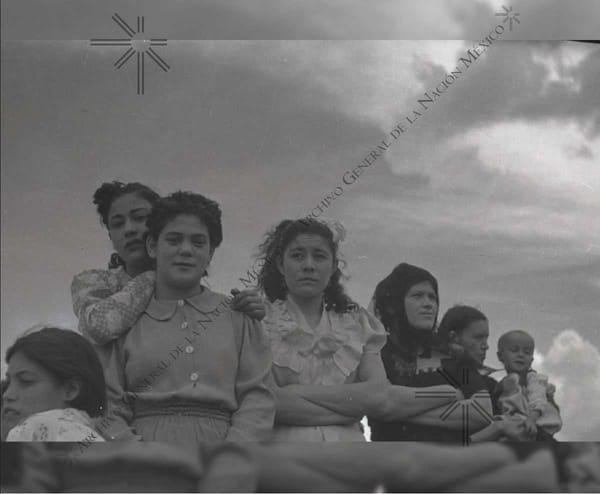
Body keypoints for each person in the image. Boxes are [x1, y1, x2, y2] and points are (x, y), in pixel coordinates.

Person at [256, 219, 462, 441]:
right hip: (283, 458)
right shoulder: (258, 321)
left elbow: (379, 397)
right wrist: (351, 409)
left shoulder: (359, 325)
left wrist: (294, 393)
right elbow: (268, 401)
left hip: (351, 460)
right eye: (297, 255)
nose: (308, 265)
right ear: (280, 264)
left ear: (333, 266)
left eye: (319, 256)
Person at [101, 191, 275, 442]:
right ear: (152, 246)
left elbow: (257, 398)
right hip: (143, 458)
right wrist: (135, 455)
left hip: (225, 453)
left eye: (198, 242)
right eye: (173, 240)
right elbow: (108, 406)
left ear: (211, 253)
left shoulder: (239, 317)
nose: (186, 250)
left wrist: (230, 456)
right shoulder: (124, 320)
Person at [71, 181, 265, 346]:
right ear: (110, 236)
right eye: (118, 224)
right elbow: (96, 326)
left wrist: (247, 311)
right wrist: (152, 277)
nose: (129, 229)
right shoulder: (95, 282)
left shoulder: (188, 287)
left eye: (140, 218)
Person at [368, 265, 522, 442]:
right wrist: (450, 395)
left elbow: (481, 411)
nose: (428, 304)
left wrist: (398, 411)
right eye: (417, 296)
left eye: (432, 297)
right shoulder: (375, 354)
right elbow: (380, 404)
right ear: (392, 305)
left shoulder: (452, 356)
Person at [2, 327, 106, 442]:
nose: (7, 395)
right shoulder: (91, 437)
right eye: (8, 383)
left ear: (71, 390)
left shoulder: (33, 428)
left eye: (26, 381)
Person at [495, 330, 562, 441]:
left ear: (531, 359)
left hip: (536, 425)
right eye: (514, 350)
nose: (521, 355)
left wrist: (531, 419)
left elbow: (538, 400)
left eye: (527, 352)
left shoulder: (533, 379)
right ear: (500, 356)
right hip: (519, 425)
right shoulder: (504, 383)